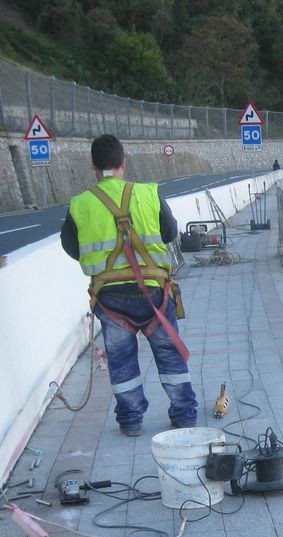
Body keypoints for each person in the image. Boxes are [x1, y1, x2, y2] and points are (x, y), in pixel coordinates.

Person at [60, 134, 197, 437]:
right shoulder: (148, 193)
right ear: (123, 163)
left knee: (122, 363)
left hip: (110, 298)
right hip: (154, 294)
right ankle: (184, 416)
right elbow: (170, 232)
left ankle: (132, 421)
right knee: (170, 356)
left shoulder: (81, 204)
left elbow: (71, 246)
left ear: (93, 166)